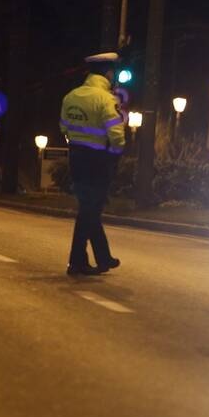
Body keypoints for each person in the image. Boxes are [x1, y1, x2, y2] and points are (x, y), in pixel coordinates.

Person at [59, 51, 126, 276]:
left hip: (76, 158)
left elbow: (64, 127)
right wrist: (114, 156)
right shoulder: (105, 99)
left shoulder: (71, 96)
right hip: (98, 160)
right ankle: (76, 261)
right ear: (108, 73)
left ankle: (103, 257)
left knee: (90, 208)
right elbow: (116, 134)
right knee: (89, 210)